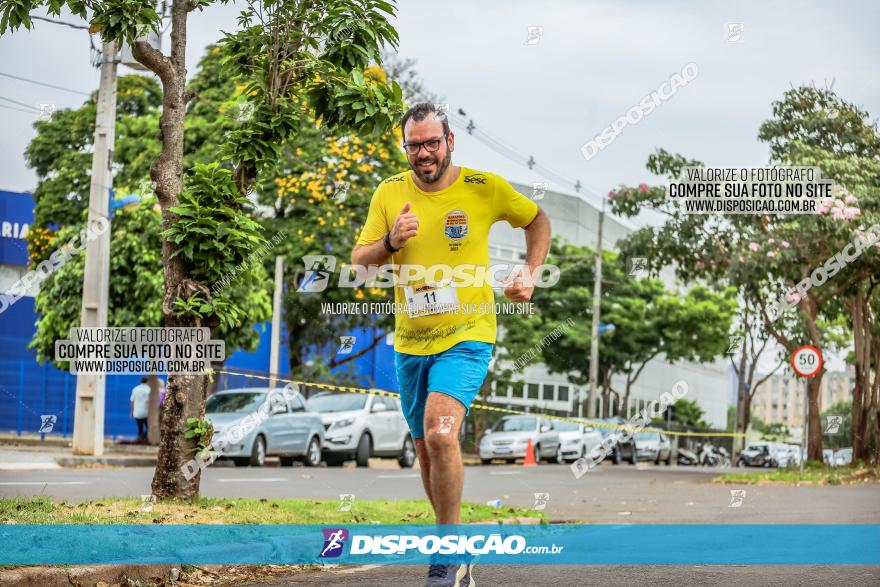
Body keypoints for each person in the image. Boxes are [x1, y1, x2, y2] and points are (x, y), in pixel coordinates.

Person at [351, 103, 551, 586]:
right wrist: (390, 244)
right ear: (406, 147)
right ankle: (455, 545)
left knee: (441, 434)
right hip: (411, 342)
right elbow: (359, 264)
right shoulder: (389, 193)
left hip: (467, 338)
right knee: (426, 450)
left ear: (450, 142)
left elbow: (537, 220)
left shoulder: (484, 188)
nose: (424, 153)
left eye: (432, 143)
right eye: (414, 145)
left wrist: (532, 272)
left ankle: (445, 553)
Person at [129, 377, 151, 441]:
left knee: (140, 427)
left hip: (137, 412)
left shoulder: (135, 389)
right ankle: (141, 437)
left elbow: (132, 401)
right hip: (146, 412)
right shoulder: (149, 389)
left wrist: (132, 412)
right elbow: (150, 401)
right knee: (149, 428)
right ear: (147, 382)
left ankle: (139, 438)